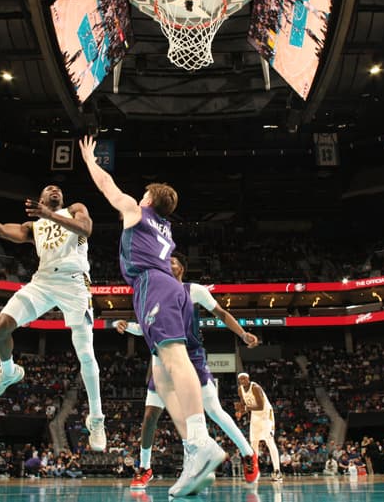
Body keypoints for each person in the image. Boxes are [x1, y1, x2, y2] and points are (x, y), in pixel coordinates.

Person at [79, 135, 225, 498]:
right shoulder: (164, 226)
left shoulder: (137, 210)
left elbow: (108, 188)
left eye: (143, 194)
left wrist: (89, 161)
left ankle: (200, 440)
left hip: (153, 285)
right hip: (168, 288)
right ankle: (196, 455)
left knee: (173, 360)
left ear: (148, 199)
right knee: (162, 373)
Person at [0, 180, 106, 451]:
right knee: (0, 327)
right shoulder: (34, 227)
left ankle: (96, 419)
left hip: (75, 282)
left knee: (85, 352)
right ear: (40, 196)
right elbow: (1, 230)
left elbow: (86, 229)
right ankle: (8, 372)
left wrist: (48, 214)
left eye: (58, 189)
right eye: (48, 188)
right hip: (43, 282)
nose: (55, 190)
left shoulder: (74, 209)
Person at [114, 252, 261, 489]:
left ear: (181, 268)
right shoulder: (155, 297)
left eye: (172, 262)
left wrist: (242, 334)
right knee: (150, 416)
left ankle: (247, 454)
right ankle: (144, 467)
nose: (167, 265)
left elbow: (221, 313)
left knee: (213, 409)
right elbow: (147, 329)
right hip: (162, 360)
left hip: (191, 357)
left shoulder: (195, 291)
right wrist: (127, 326)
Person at [236, 372, 282, 481]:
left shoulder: (255, 387)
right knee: (253, 443)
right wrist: (239, 412)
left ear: (248, 379)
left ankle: (277, 471)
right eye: (240, 379)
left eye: (244, 379)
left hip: (266, 415)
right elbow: (243, 404)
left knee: (269, 441)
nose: (243, 381)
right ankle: (255, 472)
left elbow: (261, 406)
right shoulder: (240, 390)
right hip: (255, 416)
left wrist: (245, 409)